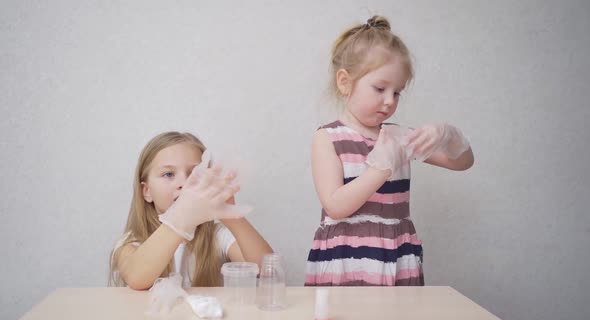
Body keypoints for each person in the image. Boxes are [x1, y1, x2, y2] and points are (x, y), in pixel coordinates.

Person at [305, 16, 474, 286]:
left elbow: (463, 162)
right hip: (347, 259)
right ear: (345, 82)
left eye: (397, 93)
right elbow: (336, 206)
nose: (389, 101)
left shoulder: (397, 137)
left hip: (395, 256)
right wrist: (381, 170)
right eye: (380, 88)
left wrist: (449, 135)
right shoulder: (328, 138)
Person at [109, 131, 273, 289]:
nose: (184, 182)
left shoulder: (216, 235)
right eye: (168, 174)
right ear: (147, 192)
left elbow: (266, 269)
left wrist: (231, 216)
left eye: (195, 173)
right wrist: (181, 217)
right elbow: (137, 278)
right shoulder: (131, 242)